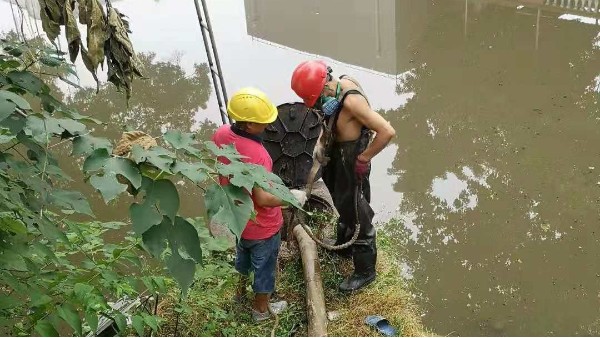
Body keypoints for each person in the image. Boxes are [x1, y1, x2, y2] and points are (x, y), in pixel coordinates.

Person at [290, 60, 396, 292]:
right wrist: (321, 144)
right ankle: (345, 247)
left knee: (357, 211)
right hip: (339, 156)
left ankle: (365, 272)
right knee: (343, 204)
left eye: (317, 98)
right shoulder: (337, 90)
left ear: (325, 88)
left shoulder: (351, 101)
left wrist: (364, 158)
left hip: (352, 160)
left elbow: (387, 131)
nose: (318, 104)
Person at [211, 87, 308, 321]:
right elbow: (263, 199)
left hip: (238, 218)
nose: (267, 127)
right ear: (249, 125)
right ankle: (261, 311)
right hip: (262, 226)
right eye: (263, 123)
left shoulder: (222, 133)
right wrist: (292, 198)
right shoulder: (259, 155)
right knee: (264, 269)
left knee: (243, 259)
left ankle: (239, 295)